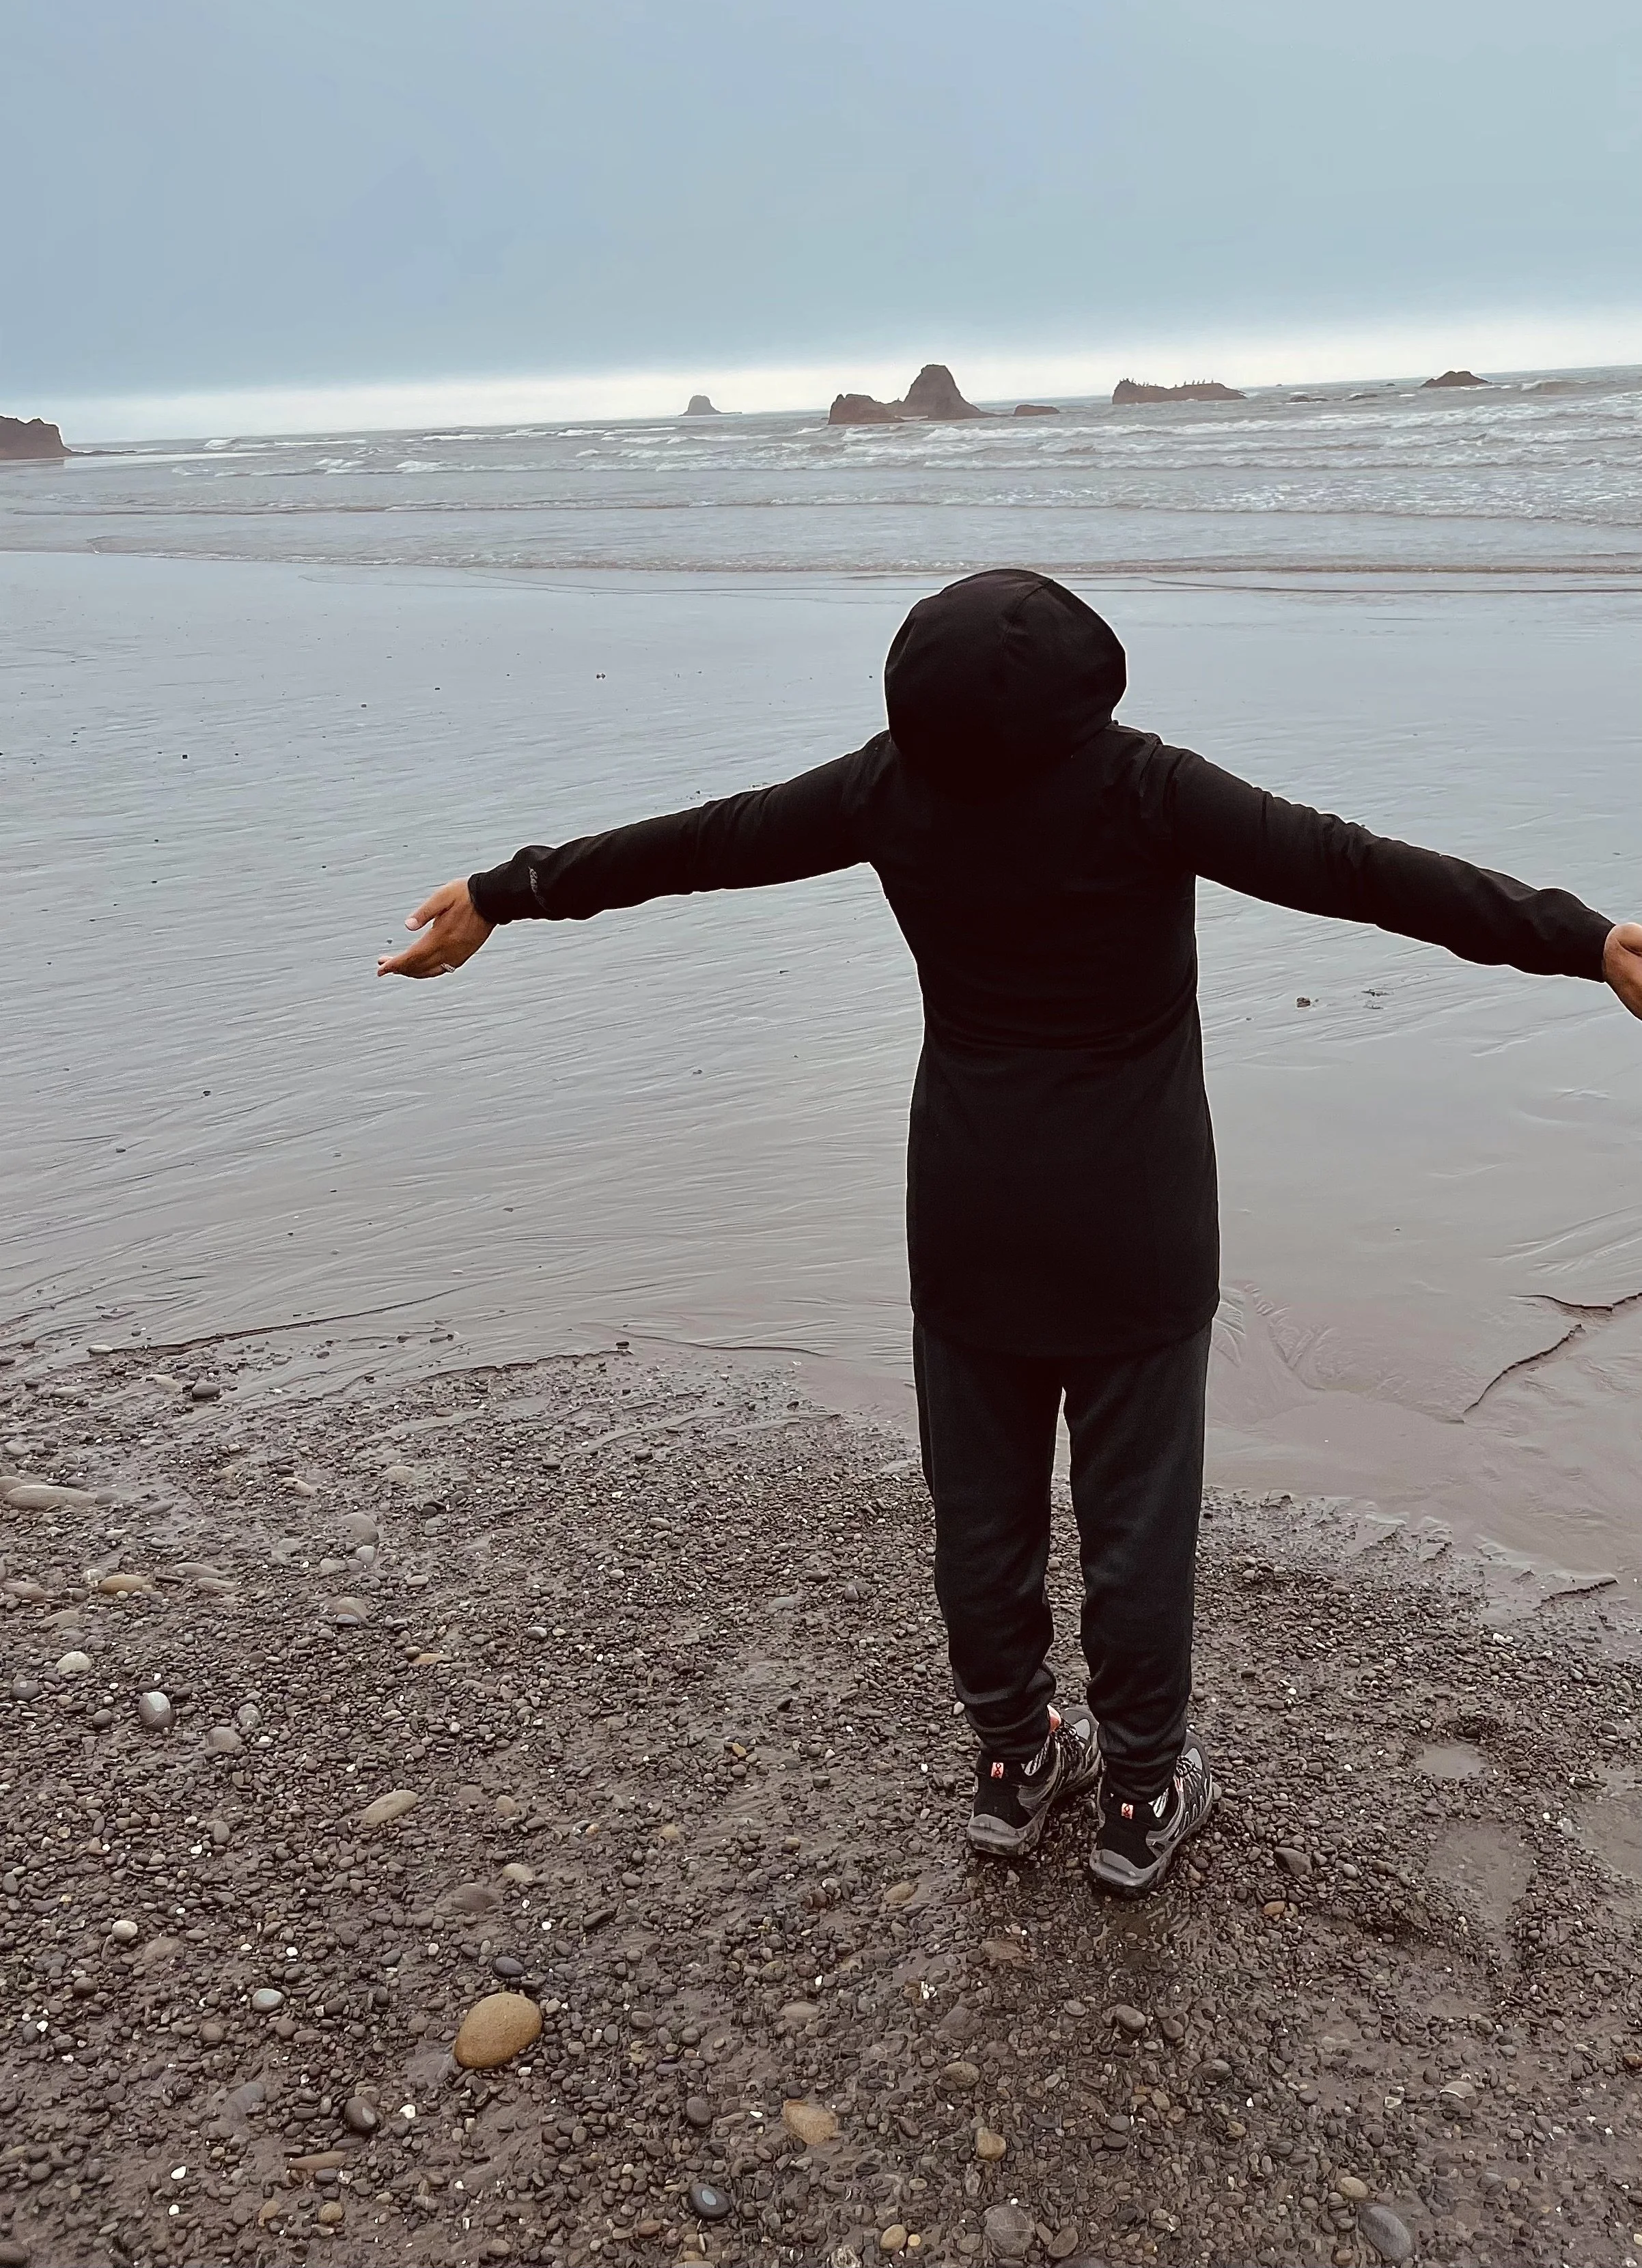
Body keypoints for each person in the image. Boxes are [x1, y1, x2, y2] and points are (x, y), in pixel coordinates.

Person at [379, 568, 1642, 1896]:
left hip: (968, 1206)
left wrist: (502, 890)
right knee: (1134, 1522)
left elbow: (698, 842)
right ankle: (1143, 1787)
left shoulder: (886, 787)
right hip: (1134, 1219)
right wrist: (1579, 938)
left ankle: (1011, 1757)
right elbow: (1354, 869)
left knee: (978, 1514)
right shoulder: (1143, 785)